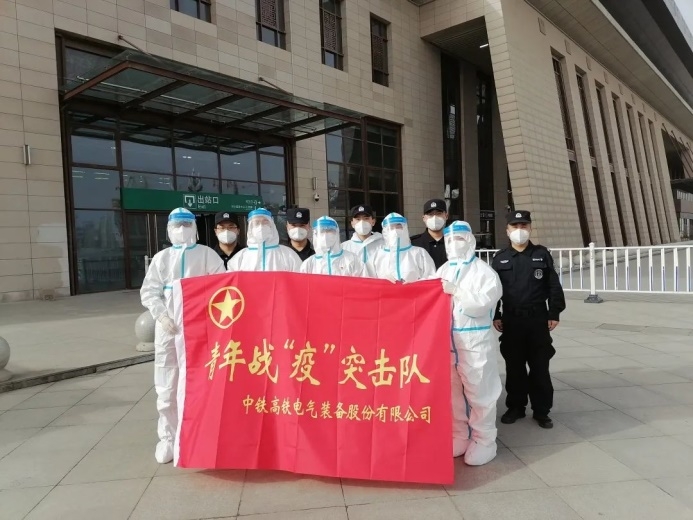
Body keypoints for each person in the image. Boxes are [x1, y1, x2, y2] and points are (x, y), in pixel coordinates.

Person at [140, 207, 225, 463]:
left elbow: (222, 288)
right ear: (168, 229)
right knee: (167, 385)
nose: (182, 229)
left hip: (202, 330)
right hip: (169, 330)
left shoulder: (207, 255)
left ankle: (201, 436)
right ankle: (168, 438)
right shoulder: (162, 258)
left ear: (195, 228)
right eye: (177, 225)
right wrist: (162, 316)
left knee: (202, 383)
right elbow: (149, 291)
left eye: (187, 224)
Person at [491, 210, 566, 429]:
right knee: (514, 367)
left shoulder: (541, 254)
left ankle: (542, 411)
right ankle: (516, 407)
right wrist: (495, 314)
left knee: (540, 367)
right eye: (515, 226)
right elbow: (493, 290)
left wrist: (554, 313)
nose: (519, 230)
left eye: (523, 226)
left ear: (530, 228)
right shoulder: (500, 257)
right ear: (507, 230)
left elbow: (553, 285)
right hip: (511, 319)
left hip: (537, 319)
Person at [439, 221, 503, 466]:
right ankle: (460, 435)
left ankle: (485, 440)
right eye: (449, 240)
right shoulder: (443, 269)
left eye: (459, 239)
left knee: (480, 392)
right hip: (447, 342)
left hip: (474, 342)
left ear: (471, 241)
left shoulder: (484, 272)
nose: (454, 244)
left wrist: (457, 291)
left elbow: (481, 304)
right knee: (453, 394)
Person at [228, 208, 302, 272]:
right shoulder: (240, 258)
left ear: (272, 225)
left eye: (265, 222)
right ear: (251, 227)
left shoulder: (288, 255)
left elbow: (300, 279)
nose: (261, 226)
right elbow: (230, 281)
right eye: (256, 223)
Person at [371, 212, 436, 283]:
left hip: (414, 290)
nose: (395, 230)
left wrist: (415, 284)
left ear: (405, 228)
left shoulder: (419, 253)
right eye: (391, 227)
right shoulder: (378, 255)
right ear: (385, 231)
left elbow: (431, 278)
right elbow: (370, 282)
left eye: (399, 226)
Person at [300, 216, 368, 277]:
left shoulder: (352, 260)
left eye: (330, 230)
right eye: (322, 231)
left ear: (337, 233)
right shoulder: (308, 264)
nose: (325, 235)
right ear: (315, 234)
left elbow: (364, 284)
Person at [341, 205, 384, 270]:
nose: (362, 222)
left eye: (366, 218)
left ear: (373, 222)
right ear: (352, 223)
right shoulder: (344, 248)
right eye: (358, 219)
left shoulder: (383, 245)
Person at [411, 198, 449, 270]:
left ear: (446, 216)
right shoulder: (414, 243)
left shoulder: (453, 242)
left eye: (439, 213)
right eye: (430, 214)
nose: (434, 218)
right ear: (424, 218)